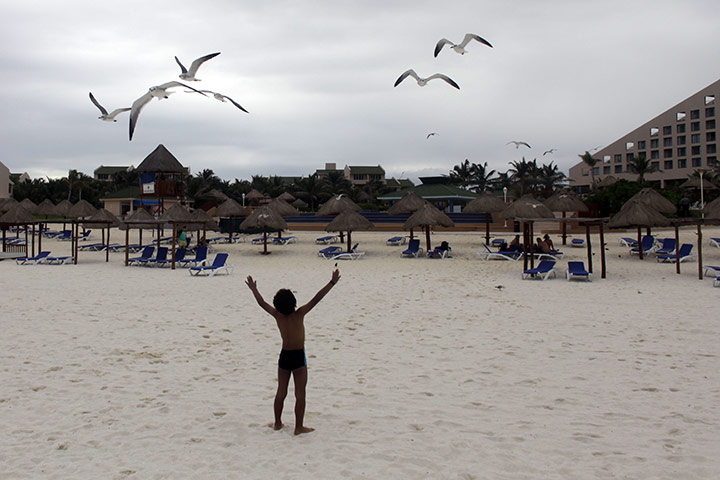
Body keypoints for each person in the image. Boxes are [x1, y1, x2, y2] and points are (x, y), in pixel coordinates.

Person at [245, 269, 341, 435]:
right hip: (298, 357)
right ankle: (298, 427)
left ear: (278, 305)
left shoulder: (277, 315)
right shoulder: (300, 313)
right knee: (300, 394)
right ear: (294, 302)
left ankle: (277, 422)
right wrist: (332, 282)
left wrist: (254, 289)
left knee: (281, 391)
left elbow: (262, 303)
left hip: (284, 356)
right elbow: (317, 298)